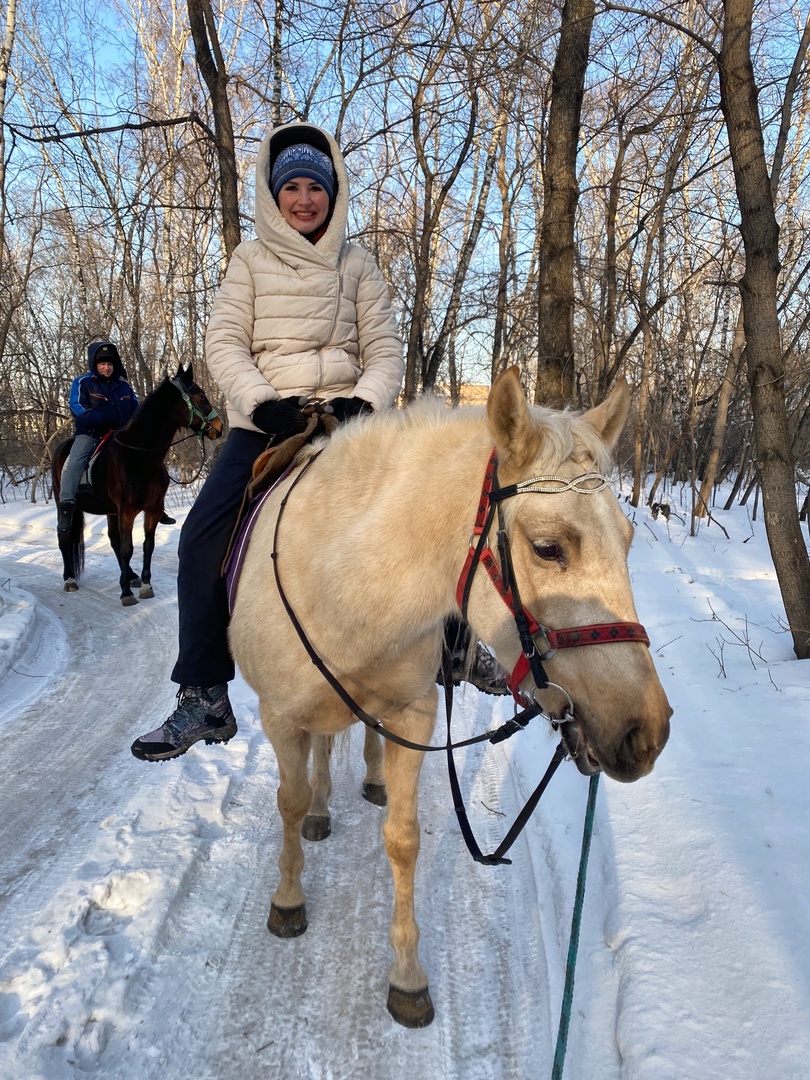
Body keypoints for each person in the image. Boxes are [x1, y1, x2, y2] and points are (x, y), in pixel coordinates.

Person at [130, 122, 406, 762]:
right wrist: (261, 403)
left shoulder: (357, 263)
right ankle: (204, 695)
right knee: (200, 537)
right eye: (293, 187)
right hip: (267, 422)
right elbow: (225, 344)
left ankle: (451, 645)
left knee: (429, 508)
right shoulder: (249, 260)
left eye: (316, 186)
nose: (305, 199)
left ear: (333, 194)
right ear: (273, 194)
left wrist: (365, 400)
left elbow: (384, 349)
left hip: (348, 420)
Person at [57, 341, 140, 533]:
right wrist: (99, 419)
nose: (106, 367)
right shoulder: (83, 382)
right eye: (102, 364)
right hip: (91, 433)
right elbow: (77, 406)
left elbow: (137, 409)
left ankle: (154, 504)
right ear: (94, 364)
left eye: (110, 364)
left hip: (120, 435)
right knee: (75, 462)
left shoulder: (124, 386)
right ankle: (66, 507)